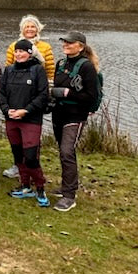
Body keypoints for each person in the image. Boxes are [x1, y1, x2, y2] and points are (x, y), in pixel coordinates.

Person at [49, 30, 100, 212]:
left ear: (80, 46)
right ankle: (66, 186)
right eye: (64, 42)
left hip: (75, 115)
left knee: (66, 151)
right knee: (63, 152)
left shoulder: (86, 67)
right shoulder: (61, 63)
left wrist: (67, 93)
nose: (66, 45)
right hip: (59, 114)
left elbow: (91, 96)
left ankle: (69, 196)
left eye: (70, 43)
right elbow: (56, 87)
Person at [1, 15, 55, 180]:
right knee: (16, 138)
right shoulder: (13, 46)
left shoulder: (45, 47)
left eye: (33, 26)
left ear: (38, 29)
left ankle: (33, 168)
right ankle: (19, 166)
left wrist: (48, 90)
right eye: (27, 27)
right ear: (22, 29)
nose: (30, 29)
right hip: (16, 93)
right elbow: (8, 66)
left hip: (36, 90)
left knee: (31, 138)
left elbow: (50, 69)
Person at [0, 39, 50, 206]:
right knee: (18, 154)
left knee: (30, 157)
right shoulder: (9, 70)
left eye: (22, 51)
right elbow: (2, 93)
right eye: (17, 51)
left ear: (30, 53)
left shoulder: (37, 70)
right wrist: (7, 110)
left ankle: (40, 187)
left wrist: (26, 110)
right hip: (11, 119)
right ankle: (25, 185)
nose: (19, 54)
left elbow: (43, 95)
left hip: (31, 120)